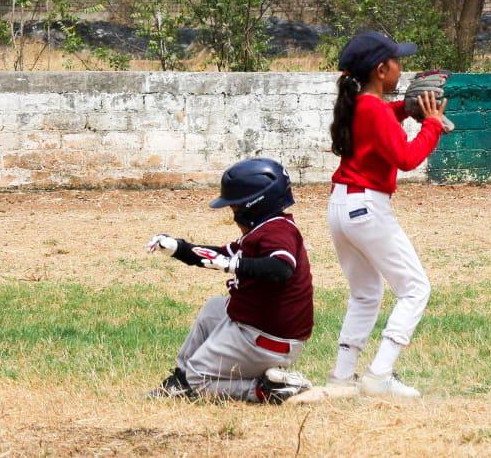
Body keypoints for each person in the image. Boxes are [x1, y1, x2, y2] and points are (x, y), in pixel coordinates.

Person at [326, 31, 447, 398]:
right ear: (381, 69)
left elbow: (380, 117)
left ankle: (343, 377)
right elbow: (407, 158)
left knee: (365, 292)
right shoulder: (372, 110)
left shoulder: (360, 104)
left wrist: (410, 109)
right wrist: (432, 124)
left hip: (341, 206)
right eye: (397, 62)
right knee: (415, 288)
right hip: (366, 208)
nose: (401, 68)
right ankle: (380, 375)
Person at [146, 158, 314, 404]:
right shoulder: (265, 229)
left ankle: (266, 391)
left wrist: (231, 265)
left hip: (266, 338)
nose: (234, 213)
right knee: (215, 307)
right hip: (263, 329)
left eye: (235, 208)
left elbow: (280, 268)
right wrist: (178, 248)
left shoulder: (279, 231)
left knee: (199, 380)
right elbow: (219, 255)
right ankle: (181, 380)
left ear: (253, 206)